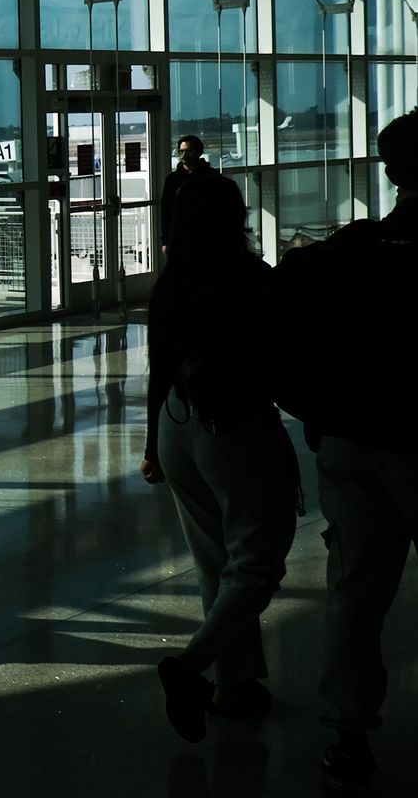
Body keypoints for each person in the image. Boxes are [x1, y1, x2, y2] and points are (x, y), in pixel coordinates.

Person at [278, 108, 418, 791]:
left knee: (355, 591)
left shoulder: (353, 250)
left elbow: (284, 312)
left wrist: (317, 412)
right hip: (416, 440)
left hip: (347, 441)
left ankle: (349, 731)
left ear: (392, 172)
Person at [139, 173, 297, 744]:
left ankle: (237, 686)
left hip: (178, 424)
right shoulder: (251, 278)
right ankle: (189, 668)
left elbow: (159, 367)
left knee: (216, 565)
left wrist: (154, 446)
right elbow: (281, 361)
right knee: (256, 564)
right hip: (236, 430)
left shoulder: (171, 281)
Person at [159, 135, 221, 253]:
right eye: (181, 151)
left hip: (206, 234)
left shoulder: (211, 177)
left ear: (199, 152)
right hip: (180, 234)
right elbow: (166, 211)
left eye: (188, 151)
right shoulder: (172, 179)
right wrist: (166, 240)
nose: (184, 155)